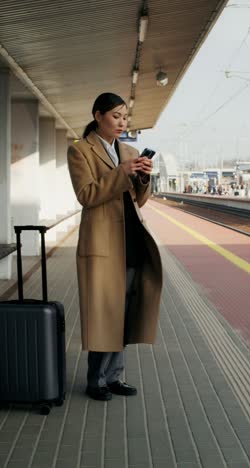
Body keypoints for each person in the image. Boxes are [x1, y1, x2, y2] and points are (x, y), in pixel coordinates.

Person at [67, 92, 162, 401]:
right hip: (103, 244)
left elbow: (138, 201)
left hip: (131, 241)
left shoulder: (130, 150)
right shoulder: (80, 151)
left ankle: (115, 377)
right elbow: (87, 195)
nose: (121, 122)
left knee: (124, 311)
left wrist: (143, 180)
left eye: (124, 117)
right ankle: (95, 381)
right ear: (98, 116)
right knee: (103, 312)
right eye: (115, 116)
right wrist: (122, 172)